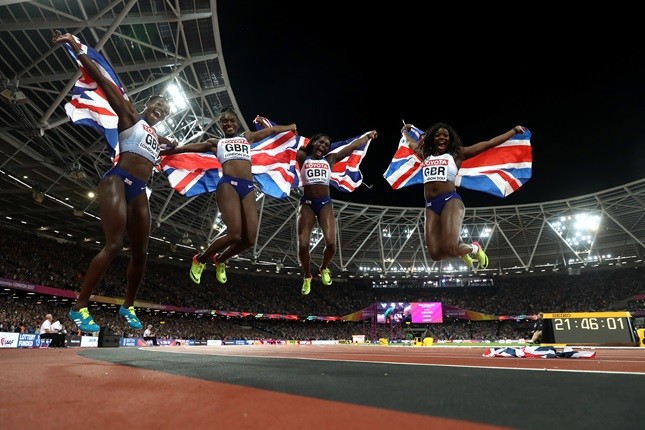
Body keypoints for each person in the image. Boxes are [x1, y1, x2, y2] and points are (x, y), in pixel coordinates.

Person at [52, 31, 182, 333]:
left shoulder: (157, 137)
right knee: (114, 244)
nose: (161, 109)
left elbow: (166, 147)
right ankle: (79, 306)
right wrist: (77, 49)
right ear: (147, 104)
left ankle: (128, 305)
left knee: (141, 253)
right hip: (117, 181)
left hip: (139, 191)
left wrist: (174, 145)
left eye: (166, 109)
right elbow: (102, 79)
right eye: (158, 104)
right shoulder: (129, 115)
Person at [163, 107, 297, 285]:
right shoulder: (215, 143)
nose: (229, 124)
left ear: (237, 123)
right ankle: (200, 260)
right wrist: (165, 152)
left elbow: (271, 131)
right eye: (225, 121)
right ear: (220, 124)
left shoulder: (246, 137)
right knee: (234, 235)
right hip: (228, 185)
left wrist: (290, 127)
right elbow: (186, 148)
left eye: (232, 120)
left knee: (249, 240)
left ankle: (220, 260)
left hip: (247, 187)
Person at [401, 122, 525, 268]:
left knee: (450, 248)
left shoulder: (457, 154)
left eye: (445, 135)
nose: (442, 137)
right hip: (430, 205)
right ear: (432, 139)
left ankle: (475, 248)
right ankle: (461, 248)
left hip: (449, 200)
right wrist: (404, 131)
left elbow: (489, 143)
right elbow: (410, 142)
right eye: (438, 135)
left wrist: (513, 131)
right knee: (435, 255)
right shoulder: (425, 154)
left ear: (450, 139)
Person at [296, 130, 378, 295]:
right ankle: (307, 276)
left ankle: (323, 268)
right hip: (307, 204)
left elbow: (351, 147)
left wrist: (367, 137)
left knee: (331, 245)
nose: (323, 146)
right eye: (321, 142)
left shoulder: (330, 159)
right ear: (314, 142)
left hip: (325, 203)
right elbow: (289, 143)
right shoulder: (303, 157)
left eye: (327, 145)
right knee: (303, 246)